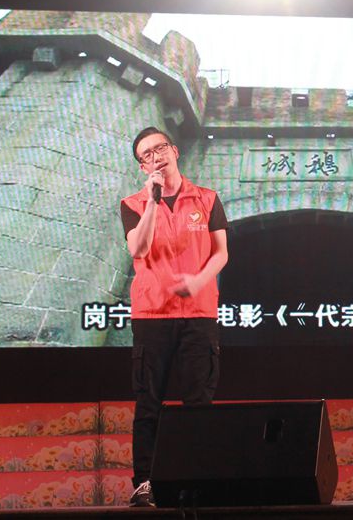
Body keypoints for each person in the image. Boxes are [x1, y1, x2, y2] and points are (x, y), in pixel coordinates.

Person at [120, 127, 229, 507]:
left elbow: (221, 252)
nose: (156, 157)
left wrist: (198, 281)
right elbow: (139, 248)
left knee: (198, 403)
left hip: (199, 314)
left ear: (175, 151)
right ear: (142, 167)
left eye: (160, 148)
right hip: (152, 314)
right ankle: (144, 482)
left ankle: (196, 479)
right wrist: (152, 202)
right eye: (147, 155)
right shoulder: (133, 204)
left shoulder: (207, 198)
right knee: (149, 403)